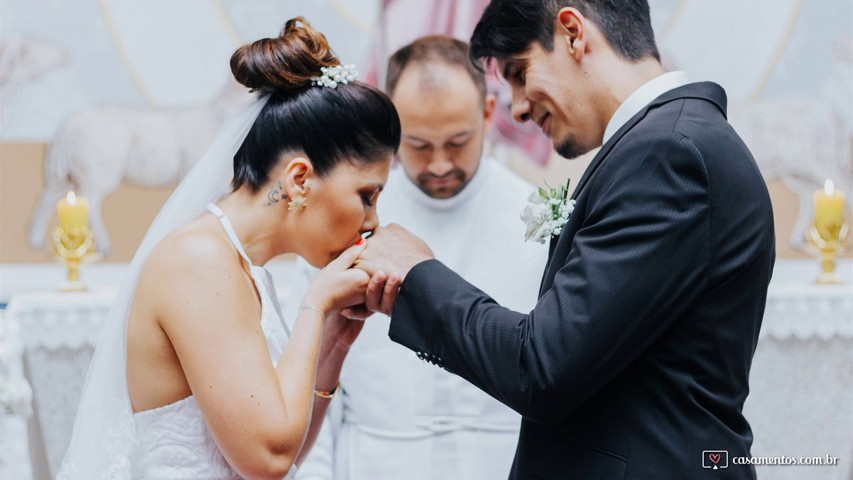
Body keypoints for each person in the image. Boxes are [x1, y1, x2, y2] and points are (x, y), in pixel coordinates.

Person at [354, 1, 775, 479]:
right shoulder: (667, 143)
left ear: (573, 33)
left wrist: (416, 274)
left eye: (519, 71)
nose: (517, 108)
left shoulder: (668, 156)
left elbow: (541, 367)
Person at [57, 17, 401, 480]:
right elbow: (269, 459)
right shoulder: (198, 260)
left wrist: (335, 342)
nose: (372, 222)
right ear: (299, 179)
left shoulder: (244, 266)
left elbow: (287, 447)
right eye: (367, 195)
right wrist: (315, 305)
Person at [295, 36, 548, 480]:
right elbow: (308, 365)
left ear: (488, 114)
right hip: (375, 461)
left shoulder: (539, 218)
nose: (438, 164)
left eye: (457, 142)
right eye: (418, 144)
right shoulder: (341, 222)